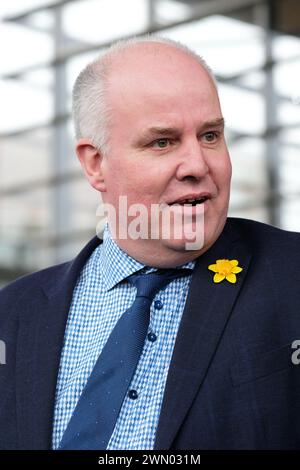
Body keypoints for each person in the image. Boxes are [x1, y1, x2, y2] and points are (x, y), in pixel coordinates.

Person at [0, 35, 300, 451]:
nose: (198, 164)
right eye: (162, 142)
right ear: (95, 163)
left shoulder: (292, 276)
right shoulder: (11, 317)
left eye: (210, 136)